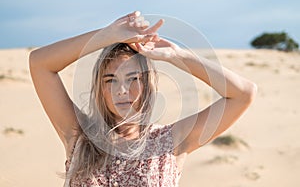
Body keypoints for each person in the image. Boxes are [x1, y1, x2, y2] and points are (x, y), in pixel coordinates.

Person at [29, 11, 257, 187]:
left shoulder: (170, 141)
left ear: (147, 85)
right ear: (100, 89)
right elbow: (40, 64)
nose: (121, 90)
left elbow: (243, 94)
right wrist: (105, 36)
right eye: (110, 80)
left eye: (132, 79)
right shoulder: (80, 136)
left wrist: (178, 56)